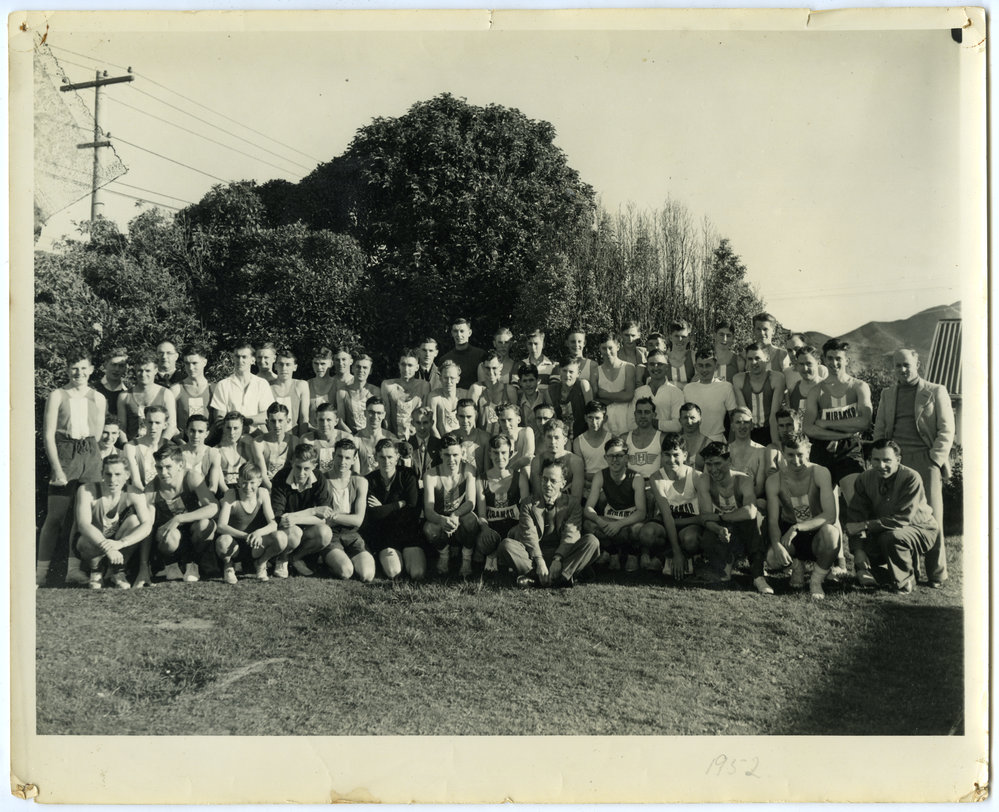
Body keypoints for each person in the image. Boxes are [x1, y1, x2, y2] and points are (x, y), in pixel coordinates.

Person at [872, 348, 955, 588]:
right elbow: (880, 429)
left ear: (917, 363)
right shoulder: (888, 394)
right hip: (895, 463)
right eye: (898, 365)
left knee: (931, 518)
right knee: (901, 519)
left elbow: (946, 430)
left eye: (906, 364)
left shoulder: (935, 391)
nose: (902, 370)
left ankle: (937, 573)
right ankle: (909, 571)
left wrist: (934, 460)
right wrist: (882, 460)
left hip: (925, 460)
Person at [846, 440, 938, 593]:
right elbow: (855, 517)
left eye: (887, 460)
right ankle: (886, 574)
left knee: (890, 538)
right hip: (885, 527)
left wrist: (865, 526)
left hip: (920, 528)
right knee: (869, 547)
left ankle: (905, 582)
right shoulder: (864, 478)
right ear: (870, 460)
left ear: (898, 460)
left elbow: (902, 519)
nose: (881, 465)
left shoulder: (911, 478)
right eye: (876, 460)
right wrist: (858, 550)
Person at [764, 433, 841, 599]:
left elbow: (830, 515)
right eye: (790, 455)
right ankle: (797, 565)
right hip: (790, 534)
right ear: (783, 453)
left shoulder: (820, 472)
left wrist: (797, 527)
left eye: (800, 454)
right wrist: (777, 545)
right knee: (772, 557)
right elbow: (772, 521)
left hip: (817, 532)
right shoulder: (774, 480)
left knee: (832, 534)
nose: (796, 460)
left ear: (809, 451)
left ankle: (816, 579)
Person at [500, 459, 599, 588]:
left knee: (592, 542)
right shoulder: (528, 504)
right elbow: (528, 535)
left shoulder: (573, 504)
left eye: (553, 481)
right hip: (534, 556)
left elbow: (571, 535)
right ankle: (562, 579)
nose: (547, 484)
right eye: (544, 479)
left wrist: (558, 559)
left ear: (562, 484)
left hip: (563, 556)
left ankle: (536, 580)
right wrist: (539, 561)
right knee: (506, 545)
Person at [802, 339, 871, 505]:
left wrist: (826, 424)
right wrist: (845, 431)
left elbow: (864, 422)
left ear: (846, 360)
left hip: (849, 448)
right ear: (824, 360)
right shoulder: (816, 391)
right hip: (821, 448)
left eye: (838, 358)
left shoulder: (858, 387)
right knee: (817, 504)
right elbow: (808, 428)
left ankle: (860, 531)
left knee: (856, 500)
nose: (834, 363)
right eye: (830, 358)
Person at [696, 441, 770, 594]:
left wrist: (720, 518)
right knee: (708, 537)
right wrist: (718, 528)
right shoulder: (704, 480)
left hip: (745, 527)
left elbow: (750, 512)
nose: (713, 469)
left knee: (755, 521)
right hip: (726, 527)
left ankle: (758, 576)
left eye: (718, 463)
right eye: (709, 464)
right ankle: (726, 564)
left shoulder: (743, 480)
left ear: (729, 461)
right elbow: (705, 517)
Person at [138, 445, 219, 585]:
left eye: (168, 467)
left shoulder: (191, 477)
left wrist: (179, 518)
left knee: (205, 524)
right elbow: (147, 528)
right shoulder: (151, 489)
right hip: (171, 536)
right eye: (159, 467)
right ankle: (171, 564)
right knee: (170, 535)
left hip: (192, 531)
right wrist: (143, 566)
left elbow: (213, 507)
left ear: (180, 465)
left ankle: (194, 563)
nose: (163, 473)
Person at [73, 453, 154, 590]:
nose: (112, 479)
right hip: (92, 544)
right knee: (85, 538)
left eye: (118, 474)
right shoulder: (87, 490)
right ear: (102, 474)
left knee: (135, 521)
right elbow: (83, 525)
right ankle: (95, 571)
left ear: (127, 475)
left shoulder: (134, 493)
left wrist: (121, 543)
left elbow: (147, 525)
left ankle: (117, 571)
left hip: (117, 544)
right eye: (108, 474)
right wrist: (108, 547)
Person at [640, 433, 701, 580]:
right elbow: (667, 515)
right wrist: (676, 552)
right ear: (662, 455)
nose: (671, 460)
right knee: (646, 534)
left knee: (691, 539)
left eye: (676, 455)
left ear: (685, 455)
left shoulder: (696, 476)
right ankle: (672, 555)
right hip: (667, 520)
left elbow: (703, 517)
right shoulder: (656, 477)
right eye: (667, 455)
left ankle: (666, 558)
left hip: (690, 521)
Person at [269, 444, 333, 579]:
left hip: (305, 526)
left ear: (314, 466)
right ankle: (282, 559)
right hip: (286, 530)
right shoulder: (280, 477)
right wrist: (313, 511)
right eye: (298, 467)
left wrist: (299, 517)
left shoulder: (319, 478)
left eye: (306, 468)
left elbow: (323, 517)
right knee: (295, 532)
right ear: (292, 462)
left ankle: (295, 558)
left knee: (325, 532)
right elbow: (280, 518)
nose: (301, 473)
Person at [363, 438, 424, 580]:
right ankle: (382, 557)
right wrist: (399, 504)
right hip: (385, 535)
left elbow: (413, 509)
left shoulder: (408, 476)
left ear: (397, 457)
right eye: (382, 457)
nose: (386, 461)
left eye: (390, 457)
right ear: (375, 457)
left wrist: (384, 508)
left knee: (418, 573)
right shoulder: (369, 480)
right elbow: (374, 513)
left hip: (408, 532)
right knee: (393, 572)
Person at [583, 436, 646, 572]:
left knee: (638, 530)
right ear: (605, 458)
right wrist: (599, 521)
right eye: (611, 456)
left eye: (619, 456)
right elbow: (588, 508)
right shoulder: (601, 475)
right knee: (588, 524)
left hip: (629, 521)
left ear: (626, 458)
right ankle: (612, 553)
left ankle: (632, 554)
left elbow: (641, 512)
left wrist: (620, 524)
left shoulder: (636, 477)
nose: (615, 460)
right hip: (611, 519)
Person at [215, 462, 285, 583]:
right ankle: (229, 566)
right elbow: (221, 526)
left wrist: (258, 532)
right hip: (234, 545)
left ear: (259, 481)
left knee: (281, 538)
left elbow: (273, 524)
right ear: (238, 480)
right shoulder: (231, 494)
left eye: (252, 483)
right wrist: (246, 536)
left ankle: (261, 563)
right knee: (223, 541)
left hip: (256, 545)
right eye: (244, 482)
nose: (248, 487)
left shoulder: (262, 493)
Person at [423, 433, 480, 576]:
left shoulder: (468, 470)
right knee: (429, 528)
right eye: (447, 455)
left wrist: (455, 515)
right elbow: (429, 510)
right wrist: (442, 520)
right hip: (442, 524)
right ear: (441, 455)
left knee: (472, 519)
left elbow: (471, 502)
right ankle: (444, 555)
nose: (452, 460)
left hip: (459, 519)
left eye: (455, 455)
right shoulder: (431, 475)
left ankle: (466, 558)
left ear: (462, 453)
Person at [473, 434, 530, 573]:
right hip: (493, 528)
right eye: (496, 453)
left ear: (510, 453)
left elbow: (526, 510)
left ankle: (503, 556)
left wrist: (520, 527)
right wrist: (485, 529)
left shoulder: (520, 478)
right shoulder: (481, 480)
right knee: (484, 540)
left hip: (513, 527)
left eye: (503, 453)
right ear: (490, 454)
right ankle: (494, 554)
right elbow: (481, 514)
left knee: (522, 533)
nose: (500, 457)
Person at [321, 439, 375, 582]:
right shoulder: (322, 480)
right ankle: (325, 559)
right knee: (346, 572)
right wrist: (344, 517)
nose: (342, 461)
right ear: (333, 455)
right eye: (339, 456)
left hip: (352, 534)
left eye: (347, 458)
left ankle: (347, 557)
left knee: (367, 575)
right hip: (330, 535)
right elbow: (322, 519)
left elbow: (358, 520)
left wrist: (333, 516)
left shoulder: (360, 481)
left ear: (354, 459)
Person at [210, 342, 275, 430]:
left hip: (255, 436)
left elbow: (267, 415)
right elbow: (219, 418)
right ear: (233, 358)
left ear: (252, 360)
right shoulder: (223, 385)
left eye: (244, 357)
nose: (240, 361)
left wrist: (244, 421)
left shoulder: (262, 384)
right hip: (230, 434)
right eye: (237, 356)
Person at [733, 343, 787, 446]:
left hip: (770, 429)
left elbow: (773, 415)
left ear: (767, 358)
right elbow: (744, 414)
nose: (753, 362)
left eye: (757, 358)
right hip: (749, 429)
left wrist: (776, 444)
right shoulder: (738, 379)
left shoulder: (777, 378)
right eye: (750, 359)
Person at [118, 351, 177, 442]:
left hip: (159, 447)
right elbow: (121, 427)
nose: (143, 374)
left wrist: (159, 447)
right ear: (135, 370)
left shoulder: (166, 394)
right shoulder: (124, 396)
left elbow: (171, 426)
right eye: (140, 370)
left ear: (156, 370)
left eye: (147, 371)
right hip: (133, 446)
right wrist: (126, 447)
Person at [681, 350, 737, 442]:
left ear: (716, 366)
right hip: (692, 442)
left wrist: (730, 445)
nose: (704, 370)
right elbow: (683, 420)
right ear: (695, 367)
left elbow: (734, 420)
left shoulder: (726, 387)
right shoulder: (688, 388)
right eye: (700, 365)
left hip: (717, 441)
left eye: (708, 365)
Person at [530, 419, 585, 504]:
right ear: (544, 439)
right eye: (549, 437)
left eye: (557, 437)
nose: (552, 442)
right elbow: (538, 496)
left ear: (565, 440)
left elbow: (576, 499)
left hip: (568, 507)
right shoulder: (537, 462)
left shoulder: (576, 462)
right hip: (544, 506)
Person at [630, 349, 684, 432]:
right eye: (652, 364)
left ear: (667, 367)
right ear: (647, 367)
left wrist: (653, 423)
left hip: (666, 442)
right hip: (642, 442)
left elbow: (678, 425)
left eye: (660, 364)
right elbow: (631, 422)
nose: (655, 367)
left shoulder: (676, 392)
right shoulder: (639, 392)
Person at [593, 332, 636, 436]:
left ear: (618, 346)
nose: (607, 352)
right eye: (604, 348)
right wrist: (620, 395)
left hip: (627, 421)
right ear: (599, 349)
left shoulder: (628, 367)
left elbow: (629, 395)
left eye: (610, 348)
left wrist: (604, 395)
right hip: (605, 424)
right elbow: (595, 400)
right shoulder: (595, 371)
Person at [381, 350, 430, 439]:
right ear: (399, 365)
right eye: (403, 364)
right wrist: (388, 438)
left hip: (417, 437)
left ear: (417, 367)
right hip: (393, 436)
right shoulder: (388, 386)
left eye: (410, 365)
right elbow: (386, 417)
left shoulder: (424, 386)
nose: (406, 369)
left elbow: (425, 416)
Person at [727, 407, 767, 510]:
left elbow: (760, 487)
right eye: (738, 422)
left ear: (752, 425)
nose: (742, 426)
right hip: (729, 501)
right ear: (732, 426)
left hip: (753, 501)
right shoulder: (725, 451)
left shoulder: (762, 451)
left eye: (746, 422)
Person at [251, 402, 299, 489]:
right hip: (266, 486)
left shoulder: (295, 441)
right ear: (267, 422)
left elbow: (297, 470)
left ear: (288, 421)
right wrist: (274, 493)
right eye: (273, 421)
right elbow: (263, 475)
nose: (277, 425)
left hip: (288, 486)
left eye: (280, 421)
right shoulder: (259, 443)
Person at [299, 401, 355, 476]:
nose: (324, 424)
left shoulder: (346, 438)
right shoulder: (308, 440)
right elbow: (304, 470)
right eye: (321, 420)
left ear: (336, 421)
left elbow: (354, 468)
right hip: (317, 483)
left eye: (329, 420)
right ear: (316, 421)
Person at [469, 350, 519, 434]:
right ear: (482, 367)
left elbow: (515, 421)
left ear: (501, 367)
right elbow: (470, 419)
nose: (491, 372)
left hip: (504, 441)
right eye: (487, 368)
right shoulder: (476, 389)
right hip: (482, 440)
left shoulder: (510, 390)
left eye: (494, 368)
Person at [171, 344, 213, 441]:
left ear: (204, 362)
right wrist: (182, 443)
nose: (190, 367)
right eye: (187, 363)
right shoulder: (176, 389)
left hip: (209, 443)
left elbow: (217, 422)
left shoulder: (214, 389)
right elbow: (170, 424)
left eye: (194, 363)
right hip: (182, 444)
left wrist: (204, 444)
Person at [123, 405, 172, 488]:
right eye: (150, 422)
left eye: (157, 423)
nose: (153, 427)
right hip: (141, 494)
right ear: (144, 422)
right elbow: (136, 482)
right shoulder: (131, 447)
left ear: (165, 425)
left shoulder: (171, 447)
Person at [549, 356, 592, 442]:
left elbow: (591, 411)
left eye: (571, 372)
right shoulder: (552, 390)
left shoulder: (582, 385)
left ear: (578, 373)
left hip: (583, 435)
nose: (567, 375)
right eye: (564, 371)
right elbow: (552, 418)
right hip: (561, 438)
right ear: (559, 371)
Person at [573, 400, 612, 494]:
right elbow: (579, 473)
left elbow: (615, 471)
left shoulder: (612, 439)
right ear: (585, 418)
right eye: (590, 418)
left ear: (605, 418)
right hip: (586, 487)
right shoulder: (578, 441)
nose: (594, 422)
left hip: (609, 487)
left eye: (597, 418)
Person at [353, 397, 399, 476]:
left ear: (384, 415)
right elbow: (356, 474)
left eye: (379, 413)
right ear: (365, 413)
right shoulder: (356, 440)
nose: (375, 416)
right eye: (371, 412)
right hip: (364, 484)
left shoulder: (391, 439)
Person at [269, 348, 311, 435]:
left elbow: (304, 417)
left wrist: (301, 442)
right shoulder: (268, 387)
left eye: (288, 364)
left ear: (295, 367)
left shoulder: (301, 385)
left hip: (294, 437)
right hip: (272, 437)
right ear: (275, 366)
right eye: (281, 364)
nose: (284, 368)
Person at [336, 353, 379, 434]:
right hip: (351, 437)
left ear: (370, 371)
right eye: (358, 367)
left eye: (365, 368)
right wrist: (354, 437)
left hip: (372, 436)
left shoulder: (375, 391)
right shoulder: (342, 392)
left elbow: (380, 419)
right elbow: (340, 422)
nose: (361, 370)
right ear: (352, 369)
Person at [215, 412, 257, 497]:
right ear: (223, 427)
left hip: (246, 492)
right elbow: (221, 484)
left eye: (236, 428)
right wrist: (233, 497)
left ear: (242, 428)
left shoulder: (248, 449)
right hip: (225, 494)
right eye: (228, 428)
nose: (232, 432)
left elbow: (253, 476)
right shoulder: (216, 451)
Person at [440, 317, 487, 389]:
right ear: (452, 333)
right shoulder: (445, 359)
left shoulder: (481, 355)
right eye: (455, 331)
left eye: (462, 331)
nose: (458, 335)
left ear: (469, 333)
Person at [180, 414, 223, 494]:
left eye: (200, 431)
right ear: (186, 431)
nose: (196, 436)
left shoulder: (213, 454)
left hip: (205, 498)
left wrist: (202, 501)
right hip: (181, 500)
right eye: (192, 431)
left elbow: (213, 487)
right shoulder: (177, 452)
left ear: (206, 434)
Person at [623, 397, 663, 482]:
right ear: (635, 414)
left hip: (654, 485)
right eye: (639, 412)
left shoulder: (662, 438)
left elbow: (666, 469)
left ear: (654, 415)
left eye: (647, 412)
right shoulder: (624, 438)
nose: (643, 416)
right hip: (631, 484)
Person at [494, 402, 536, 476]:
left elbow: (527, 459)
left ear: (518, 420)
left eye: (510, 420)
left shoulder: (526, 431)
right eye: (503, 421)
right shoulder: (498, 440)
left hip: (521, 475)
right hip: (506, 478)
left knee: (526, 468)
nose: (506, 425)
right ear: (498, 422)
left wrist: (510, 471)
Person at [452, 397, 490, 476]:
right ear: (456, 416)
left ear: (475, 415)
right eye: (462, 416)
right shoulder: (451, 437)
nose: (465, 421)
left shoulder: (485, 438)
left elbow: (487, 471)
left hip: (478, 483)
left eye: (469, 417)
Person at [784, 345, 824, 417]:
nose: (805, 368)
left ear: (818, 363)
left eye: (809, 364)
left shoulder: (828, 388)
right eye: (801, 364)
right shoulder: (792, 390)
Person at [407, 406, 443, 484]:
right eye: (418, 423)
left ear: (432, 423)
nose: (422, 427)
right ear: (412, 423)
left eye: (425, 423)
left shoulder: (439, 445)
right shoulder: (407, 445)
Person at [515, 363, 553, 437]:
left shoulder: (545, 399)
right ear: (520, 382)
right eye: (525, 381)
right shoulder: (518, 401)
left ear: (538, 381)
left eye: (531, 380)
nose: (528, 384)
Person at [91, 347, 128, 421]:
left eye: (121, 366)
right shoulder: (93, 389)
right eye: (113, 365)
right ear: (105, 365)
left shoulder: (127, 392)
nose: (117, 369)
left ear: (125, 368)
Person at [764, 409, 801, 476]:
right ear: (777, 428)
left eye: (789, 425)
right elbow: (771, 473)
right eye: (781, 426)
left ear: (798, 425)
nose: (785, 429)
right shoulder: (773, 448)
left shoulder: (808, 447)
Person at [307, 347, 337, 420]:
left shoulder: (337, 385)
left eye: (323, 364)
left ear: (331, 363)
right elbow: (303, 416)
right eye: (316, 363)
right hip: (310, 429)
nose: (319, 367)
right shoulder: (306, 385)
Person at [678, 402, 709, 471]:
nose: (689, 422)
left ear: (700, 420)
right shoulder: (675, 442)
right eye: (685, 418)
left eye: (692, 418)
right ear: (680, 420)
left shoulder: (708, 444)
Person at [663, 320, 695, 385]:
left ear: (688, 338)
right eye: (676, 336)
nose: (680, 340)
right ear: (670, 337)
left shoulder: (693, 356)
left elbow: (698, 380)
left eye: (683, 337)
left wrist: (673, 384)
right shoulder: (663, 359)